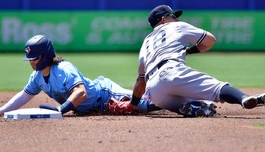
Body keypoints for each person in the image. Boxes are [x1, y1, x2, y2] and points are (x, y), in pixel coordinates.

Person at [119, 5, 265, 117]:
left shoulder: (145, 44)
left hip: (155, 91)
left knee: (186, 104)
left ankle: (196, 107)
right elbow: (210, 40)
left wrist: (132, 105)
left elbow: (140, 83)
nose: (176, 18)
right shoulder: (177, 27)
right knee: (218, 88)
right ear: (162, 19)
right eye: (173, 16)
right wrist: (188, 50)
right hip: (171, 71)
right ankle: (244, 98)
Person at [0, 35, 161, 116]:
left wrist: (60, 110)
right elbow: (23, 96)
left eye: (35, 58)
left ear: (46, 54)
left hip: (105, 94)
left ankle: (180, 99)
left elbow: (81, 93)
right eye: (29, 59)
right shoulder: (37, 77)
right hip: (94, 108)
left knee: (146, 104)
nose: (32, 62)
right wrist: (1, 111)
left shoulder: (64, 69)